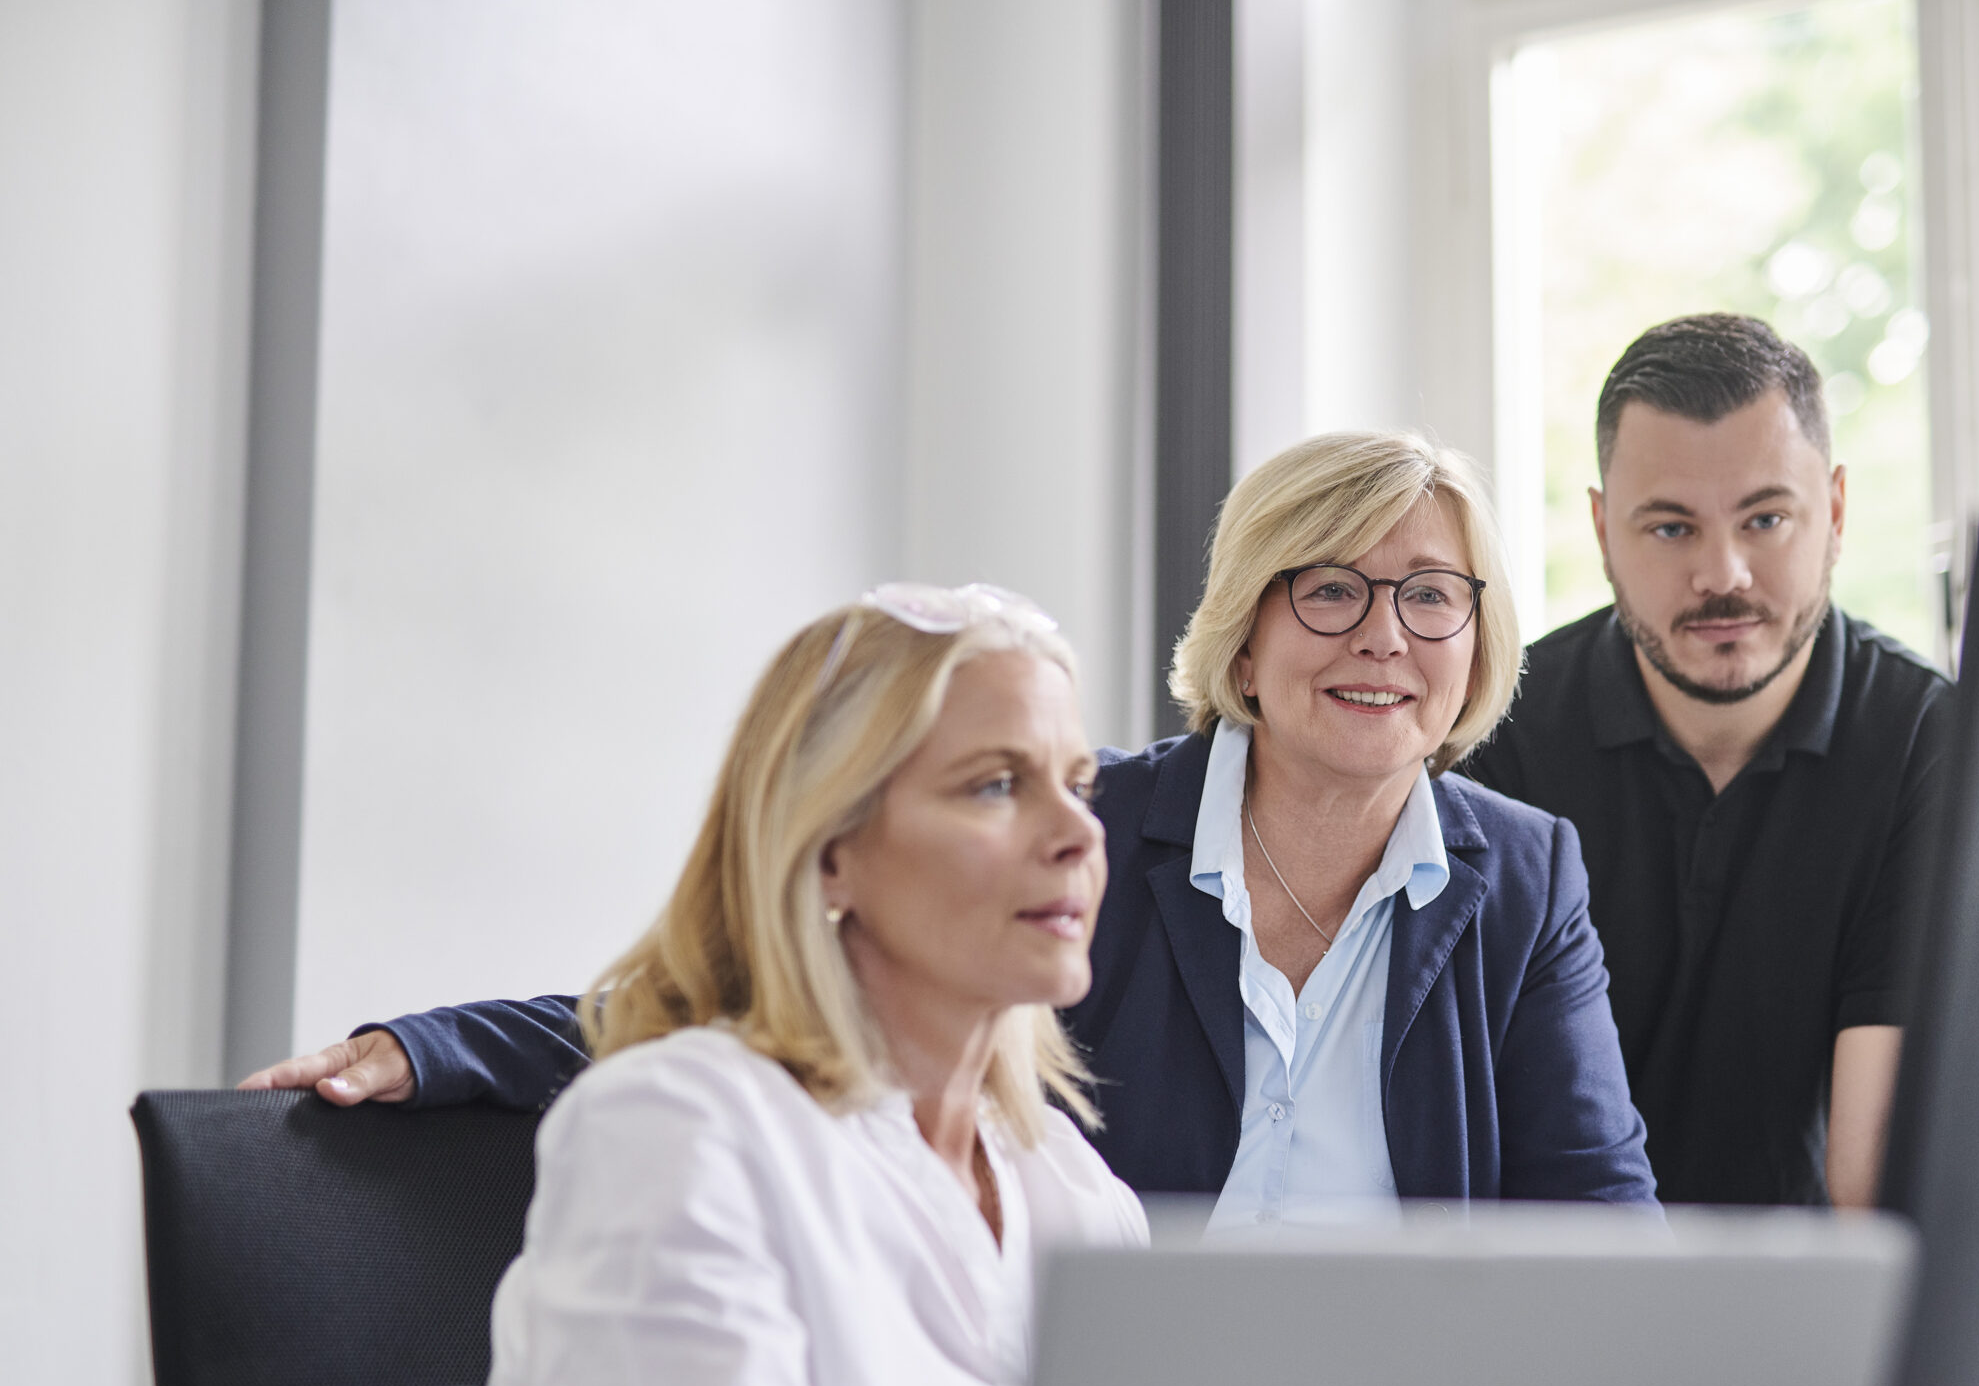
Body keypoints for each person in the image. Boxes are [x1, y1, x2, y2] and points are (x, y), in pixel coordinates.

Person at [246, 433, 1655, 1213]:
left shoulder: (1522, 873)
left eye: (1432, 594)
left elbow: (1600, 1215)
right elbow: (772, 995)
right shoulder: (1084, 829)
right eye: (1330, 588)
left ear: (1478, 635)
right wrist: (432, 1047)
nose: (1386, 636)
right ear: (1244, 629)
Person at [426, 585, 1148, 1386]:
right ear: (827, 852)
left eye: (1079, 781)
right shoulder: (671, 1130)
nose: (1077, 833)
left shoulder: (1072, 1190)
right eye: (997, 784)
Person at [1464, 314, 1954, 1212]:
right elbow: (1485, 1137)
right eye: (1670, 529)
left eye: (1766, 518)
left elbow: (1871, 1175)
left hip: (1809, 1305)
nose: (1722, 575)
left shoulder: (1928, 741)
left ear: (1835, 512)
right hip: (1560, 1298)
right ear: (1604, 529)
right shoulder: (1497, 738)